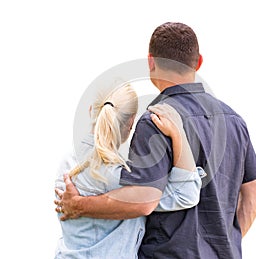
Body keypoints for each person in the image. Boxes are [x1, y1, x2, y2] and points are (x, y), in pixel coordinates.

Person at [55, 22, 256, 258]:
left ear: (150, 62)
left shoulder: (155, 121)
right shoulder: (234, 121)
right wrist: (222, 245)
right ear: (198, 62)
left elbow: (141, 201)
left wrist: (79, 205)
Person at [54, 83, 205, 258]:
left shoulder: (67, 162)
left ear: (91, 111)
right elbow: (186, 194)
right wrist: (178, 134)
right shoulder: (119, 177)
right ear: (131, 124)